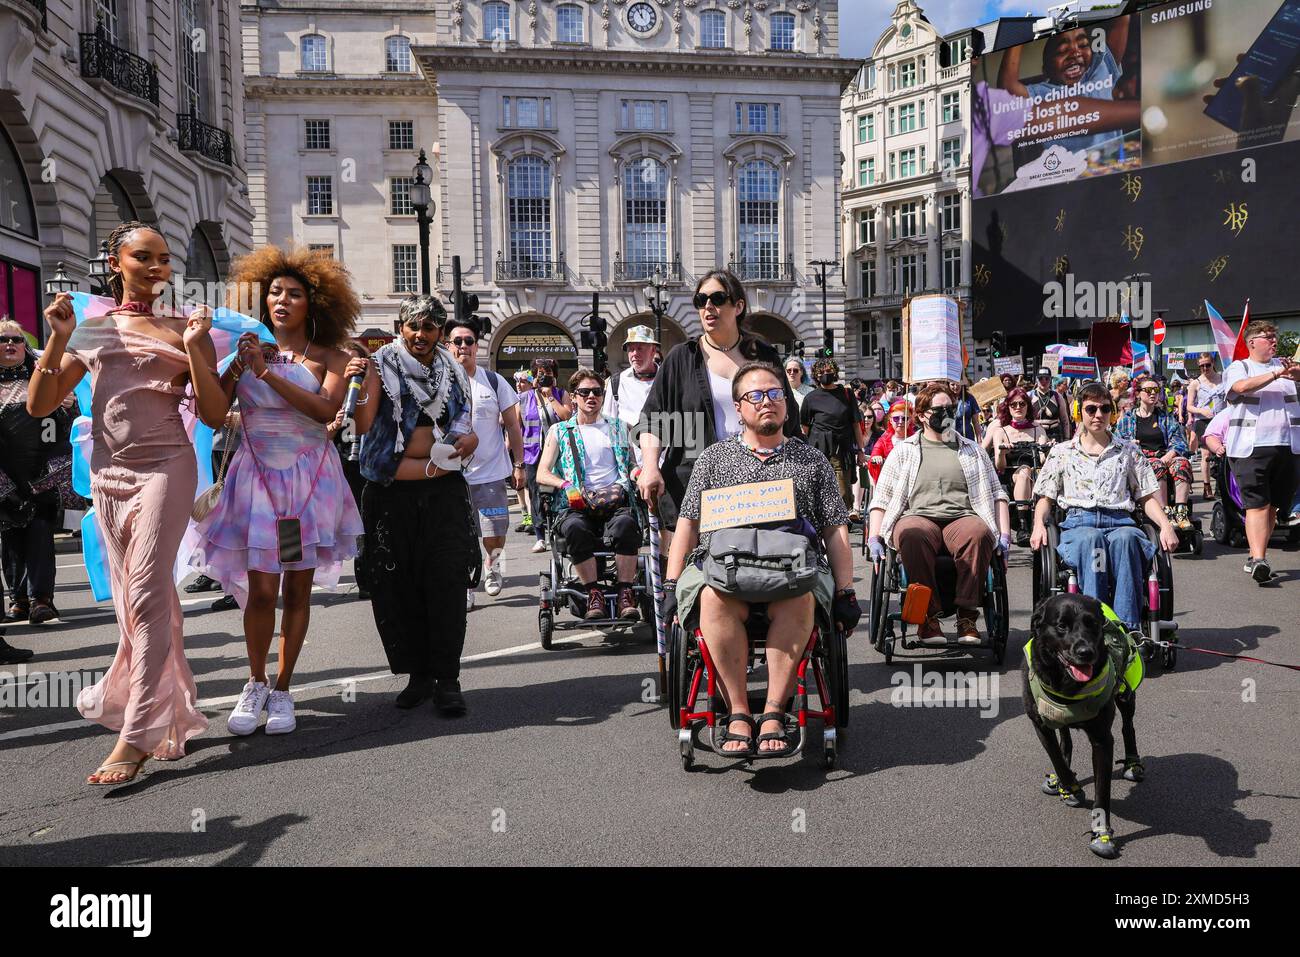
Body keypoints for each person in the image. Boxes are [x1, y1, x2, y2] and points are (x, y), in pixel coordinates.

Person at [29, 221, 226, 784]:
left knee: (143, 593)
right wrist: (60, 338)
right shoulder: (90, 331)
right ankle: (165, 711)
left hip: (168, 468)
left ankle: (135, 735)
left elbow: (212, 414)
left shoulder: (183, 328)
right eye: (146, 257)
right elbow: (42, 405)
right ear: (116, 262)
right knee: (135, 603)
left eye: (166, 259)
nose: (159, 267)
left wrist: (192, 349)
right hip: (109, 476)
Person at [184, 246, 368, 737]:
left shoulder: (331, 355)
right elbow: (211, 412)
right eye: (274, 292)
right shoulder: (243, 348)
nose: (281, 300)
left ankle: (284, 688)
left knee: (296, 589)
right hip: (256, 478)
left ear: (316, 303)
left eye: (294, 293)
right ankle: (256, 680)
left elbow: (325, 409)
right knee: (261, 589)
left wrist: (265, 373)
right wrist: (202, 352)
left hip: (307, 482)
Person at [663, 362, 857, 755]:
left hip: (792, 570)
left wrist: (846, 590)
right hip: (724, 569)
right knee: (711, 598)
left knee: (800, 598)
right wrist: (670, 583)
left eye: (774, 394)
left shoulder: (812, 461)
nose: (766, 402)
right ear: (738, 407)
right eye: (755, 395)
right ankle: (737, 711)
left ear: (786, 403)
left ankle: (772, 711)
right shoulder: (714, 459)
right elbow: (687, 523)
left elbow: (835, 529)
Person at [356, 295, 478, 713]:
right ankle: (419, 674)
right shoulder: (379, 366)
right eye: (414, 326)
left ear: (440, 332)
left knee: (445, 583)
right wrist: (433, 469)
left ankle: (448, 679)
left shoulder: (452, 369)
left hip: (443, 494)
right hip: (392, 493)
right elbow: (366, 434)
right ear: (400, 326)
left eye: (430, 328)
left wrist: (470, 440)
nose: (421, 335)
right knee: (400, 588)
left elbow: (464, 422)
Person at [636, 269, 799, 539]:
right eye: (701, 301)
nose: (708, 307)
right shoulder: (681, 358)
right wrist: (650, 466)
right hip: (694, 482)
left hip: (761, 482)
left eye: (717, 298)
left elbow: (788, 418)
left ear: (738, 306)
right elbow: (652, 419)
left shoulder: (764, 354)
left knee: (757, 567)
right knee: (694, 574)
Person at [867, 382, 1011, 644]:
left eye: (951, 408)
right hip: (918, 516)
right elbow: (882, 497)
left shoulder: (972, 449)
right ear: (922, 415)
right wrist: (874, 537)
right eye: (940, 409)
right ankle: (927, 618)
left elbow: (997, 493)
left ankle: (967, 616)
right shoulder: (904, 451)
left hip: (963, 516)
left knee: (979, 533)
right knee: (911, 534)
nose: (947, 413)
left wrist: (1004, 534)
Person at [1031, 382, 1180, 630]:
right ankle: (1093, 627)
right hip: (1080, 523)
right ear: (1079, 411)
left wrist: (1166, 526)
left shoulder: (1128, 451)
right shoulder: (1062, 452)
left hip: (1120, 520)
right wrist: (1038, 525)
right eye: (1091, 409)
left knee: (1127, 540)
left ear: (1112, 412)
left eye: (1104, 409)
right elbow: (1045, 497)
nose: (1098, 415)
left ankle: (1124, 630)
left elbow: (1147, 496)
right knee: (1092, 541)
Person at [537, 368, 642, 620]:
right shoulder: (560, 431)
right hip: (576, 504)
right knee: (573, 528)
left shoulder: (619, 428)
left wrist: (639, 473)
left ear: (603, 396)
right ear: (573, 397)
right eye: (584, 392)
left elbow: (630, 466)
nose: (591, 396)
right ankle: (593, 593)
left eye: (597, 392)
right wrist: (565, 486)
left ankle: (625, 591)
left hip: (614, 501)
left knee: (627, 524)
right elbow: (542, 472)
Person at [448, 316, 525, 608]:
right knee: (457, 533)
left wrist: (519, 465)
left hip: (490, 473)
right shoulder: (440, 382)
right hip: (451, 475)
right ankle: (466, 582)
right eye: (458, 341)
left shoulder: (493, 381)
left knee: (495, 531)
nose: (464, 346)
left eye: (469, 341)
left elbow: (513, 426)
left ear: (476, 346)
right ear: (449, 346)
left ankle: (492, 569)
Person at [0, 320, 73, 628]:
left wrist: (68, 404)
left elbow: (69, 426)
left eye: (16, 339)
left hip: (42, 472)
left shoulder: (43, 378)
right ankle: (18, 599)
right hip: (4, 475)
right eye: (2, 340)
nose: (9, 344)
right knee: (10, 537)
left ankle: (41, 599)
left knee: (40, 533)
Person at [1222, 321, 1300, 584]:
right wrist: (1277, 374)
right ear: (1252, 342)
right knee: (1256, 504)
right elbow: (1241, 388)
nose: (1274, 341)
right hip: (1249, 447)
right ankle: (1258, 559)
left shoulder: (1285, 365)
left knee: (1273, 506)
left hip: (1287, 445)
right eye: (1268, 337)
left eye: (1274, 337)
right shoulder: (1239, 367)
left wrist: (1294, 372)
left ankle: (1257, 554)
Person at [1115, 373, 1195, 531]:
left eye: (1156, 390)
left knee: (1182, 463)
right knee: (1156, 466)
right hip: (1141, 460)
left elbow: (1179, 442)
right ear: (1138, 394)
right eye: (1149, 390)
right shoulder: (1127, 420)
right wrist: (1128, 444)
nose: (1153, 393)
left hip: (1165, 455)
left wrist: (1171, 454)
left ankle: (1181, 512)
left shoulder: (1166, 417)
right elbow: (1116, 444)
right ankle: (1165, 513)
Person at [982, 387, 1051, 545]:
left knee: (1029, 472)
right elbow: (1000, 466)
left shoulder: (1037, 429)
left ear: (1027, 406)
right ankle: (1022, 525)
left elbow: (1042, 460)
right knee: (1023, 472)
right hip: (1009, 476)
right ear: (1008, 407)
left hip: (1035, 474)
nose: (1018, 407)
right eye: (1014, 405)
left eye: (1022, 404)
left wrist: (1046, 449)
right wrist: (1002, 453)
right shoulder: (1001, 431)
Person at [800, 358, 866, 518]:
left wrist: (860, 450)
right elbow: (805, 428)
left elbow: (856, 424)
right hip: (818, 448)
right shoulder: (810, 398)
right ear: (815, 376)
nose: (825, 375)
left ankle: (842, 517)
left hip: (841, 448)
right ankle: (821, 517)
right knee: (818, 485)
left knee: (842, 487)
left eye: (828, 372)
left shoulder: (847, 394)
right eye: (821, 373)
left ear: (835, 373)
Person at [519, 356, 571, 553]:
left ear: (555, 376)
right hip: (533, 452)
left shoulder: (560, 393)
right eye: (540, 374)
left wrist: (550, 396)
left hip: (558, 452)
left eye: (548, 373)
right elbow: (515, 425)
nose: (544, 377)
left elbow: (566, 416)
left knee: (558, 490)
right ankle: (540, 535)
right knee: (535, 493)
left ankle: (559, 530)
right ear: (534, 376)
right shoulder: (524, 398)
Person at [603, 324, 659, 462]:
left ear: (653, 350)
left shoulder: (670, 379)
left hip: (665, 464)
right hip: (631, 465)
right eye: (631, 349)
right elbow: (610, 425)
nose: (634, 354)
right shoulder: (616, 382)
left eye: (640, 348)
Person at [1186, 354, 1226, 498]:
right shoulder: (1195, 383)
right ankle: (1206, 486)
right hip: (1203, 421)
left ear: (1213, 363)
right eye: (1201, 366)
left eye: (1207, 365)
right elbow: (1189, 406)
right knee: (1206, 454)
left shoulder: (1223, 378)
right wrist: (1201, 410)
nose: (1205, 368)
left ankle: (1221, 485)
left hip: (1221, 420)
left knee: (1221, 453)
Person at [866, 398, 914, 484]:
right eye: (896, 418)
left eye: (904, 419)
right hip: (889, 483)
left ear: (910, 420)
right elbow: (873, 459)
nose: (900, 422)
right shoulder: (883, 440)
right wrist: (876, 459)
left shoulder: (916, 439)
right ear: (891, 420)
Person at [1031, 367, 1071, 442]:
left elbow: (1065, 420)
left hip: (1054, 436)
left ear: (1050, 379)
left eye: (1047, 378)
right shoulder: (1030, 396)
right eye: (1041, 379)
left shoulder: (1057, 396)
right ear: (1037, 379)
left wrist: (1067, 439)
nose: (1044, 381)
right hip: (1036, 436)